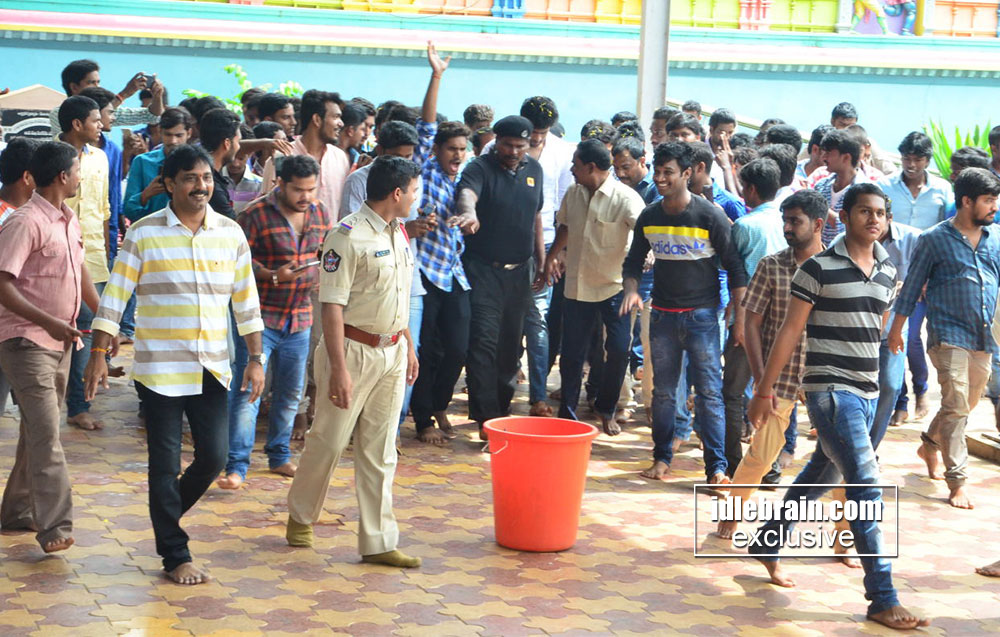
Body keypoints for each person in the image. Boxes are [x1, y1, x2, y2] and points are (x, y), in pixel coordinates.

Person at [744, 182, 929, 631]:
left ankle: (767, 541)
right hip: (829, 391)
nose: (874, 219)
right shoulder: (818, 268)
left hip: (866, 393)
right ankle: (882, 597)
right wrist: (764, 390)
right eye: (864, 211)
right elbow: (789, 331)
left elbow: (876, 329)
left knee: (820, 476)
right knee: (865, 485)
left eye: (880, 213)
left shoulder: (887, 267)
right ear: (843, 218)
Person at [84, 144, 266, 585]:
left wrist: (256, 359)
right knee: (164, 465)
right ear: (169, 184)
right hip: (160, 370)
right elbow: (115, 297)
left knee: (214, 457)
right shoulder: (144, 234)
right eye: (189, 179)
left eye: (205, 178)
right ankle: (175, 552)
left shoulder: (230, 233)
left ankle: (163, 516)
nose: (200, 186)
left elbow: (246, 303)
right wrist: (98, 354)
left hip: (212, 366)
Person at [285, 155, 421, 569]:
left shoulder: (399, 232)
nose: (416, 198)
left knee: (381, 449)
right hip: (352, 351)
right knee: (329, 439)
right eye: (413, 191)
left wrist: (408, 345)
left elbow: (398, 296)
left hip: (392, 351)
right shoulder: (346, 236)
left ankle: (378, 541)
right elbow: (332, 305)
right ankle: (300, 516)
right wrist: (339, 369)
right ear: (396, 193)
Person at [620, 142, 747, 485]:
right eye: (657, 172)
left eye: (668, 173)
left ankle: (716, 468)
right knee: (663, 393)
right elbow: (633, 262)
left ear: (687, 174)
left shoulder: (709, 216)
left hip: (703, 318)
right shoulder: (650, 216)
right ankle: (662, 458)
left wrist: (738, 319)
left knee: (709, 393)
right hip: (662, 317)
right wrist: (631, 290)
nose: (660, 179)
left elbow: (736, 269)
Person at [0, 141, 104, 554]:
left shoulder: (68, 219)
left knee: (36, 431)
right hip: (26, 342)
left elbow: (81, 272)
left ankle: (16, 511)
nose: (81, 177)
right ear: (63, 176)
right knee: (47, 435)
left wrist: (106, 317)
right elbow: (2, 284)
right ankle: (55, 526)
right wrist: (47, 321)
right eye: (78, 170)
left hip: (61, 341)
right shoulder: (25, 222)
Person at [716, 188, 826, 539]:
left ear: (818, 224)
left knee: (839, 461)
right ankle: (732, 513)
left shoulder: (836, 268)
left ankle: (846, 536)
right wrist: (762, 379)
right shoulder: (772, 265)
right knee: (762, 455)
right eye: (785, 221)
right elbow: (751, 324)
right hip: (781, 377)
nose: (788, 228)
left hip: (826, 378)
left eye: (795, 222)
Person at [888, 168, 1000, 510]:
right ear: (966, 201)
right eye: (988, 200)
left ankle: (929, 444)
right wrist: (896, 329)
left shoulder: (996, 238)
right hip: (948, 334)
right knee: (957, 403)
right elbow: (911, 286)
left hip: (985, 337)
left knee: (962, 405)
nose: (995, 207)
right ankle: (958, 481)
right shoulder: (934, 239)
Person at [217, 155, 331, 490]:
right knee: (248, 392)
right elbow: (236, 263)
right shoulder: (254, 214)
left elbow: (327, 253)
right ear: (280, 183)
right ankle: (236, 465)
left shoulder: (321, 212)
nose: (306, 196)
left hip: (300, 317)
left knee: (291, 391)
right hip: (260, 319)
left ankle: (279, 455)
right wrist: (271, 275)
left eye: (311, 189)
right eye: (298, 190)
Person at [451, 115, 545, 440]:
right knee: (483, 343)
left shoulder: (535, 170)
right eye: (508, 145)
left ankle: (500, 412)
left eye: (520, 146)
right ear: (496, 141)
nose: (514, 152)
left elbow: (535, 217)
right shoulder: (479, 168)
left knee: (510, 347)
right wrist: (469, 213)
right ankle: (486, 418)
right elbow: (467, 194)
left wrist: (542, 261)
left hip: (521, 273)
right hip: (483, 271)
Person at [542, 139, 644, 433]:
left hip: (614, 288)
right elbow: (565, 227)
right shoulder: (573, 194)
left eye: (575, 165)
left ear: (591, 167)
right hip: (577, 287)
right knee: (572, 354)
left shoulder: (626, 198)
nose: (571, 170)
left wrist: (642, 263)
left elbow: (644, 234)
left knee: (618, 350)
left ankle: (606, 408)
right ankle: (567, 413)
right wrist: (551, 257)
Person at [410, 44, 473, 445]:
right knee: (426, 348)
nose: (458, 155)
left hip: (455, 273)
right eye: (452, 149)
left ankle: (439, 404)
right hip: (424, 272)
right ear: (436, 150)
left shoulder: (466, 178)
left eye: (463, 150)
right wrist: (437, 76)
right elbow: (427, 125)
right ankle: (423, 419)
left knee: (458, 348)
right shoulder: (426, 168)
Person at [878, 131, 954, 425]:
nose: (911, 164)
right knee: (890, 339)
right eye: (907, 158)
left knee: (911, 339)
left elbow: (947, 232)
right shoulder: (885, 186)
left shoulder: (942, 190)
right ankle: (900, 401)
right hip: (888, 274)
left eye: (918, 159)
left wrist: (928, 277)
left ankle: (921, 389)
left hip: (925, 278)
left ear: (927, 160)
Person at [723, 158, 785, 475]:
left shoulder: (745, 226)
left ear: (750, 190)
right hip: (784, 321)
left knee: (733, 393)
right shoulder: (788, 221)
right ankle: (770, 467)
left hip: (750, 318)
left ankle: (735, 464)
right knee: (776, 394)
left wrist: (738, 322)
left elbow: (738, 278)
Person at [58, 95, 113, 432]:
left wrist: (106, 252)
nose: (101, 125)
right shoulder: (50, 156)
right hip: (55, 257)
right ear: (77, 124)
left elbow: (104, 209)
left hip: (92, 256)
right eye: (95, 120)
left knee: (89, 325)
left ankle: (79, 405)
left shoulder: (101, 158)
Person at [262, 90, 348, 220]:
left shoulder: (340, 158)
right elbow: (267, 209)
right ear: (317, 119)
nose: (341, 123)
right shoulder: (281, 157)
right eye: (336, 117)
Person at [51, 59, 164, 134]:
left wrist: (157, 96)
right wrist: (125, 94)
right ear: (74, 87)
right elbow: (94, 115)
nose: (98, 87)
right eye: (92, 83)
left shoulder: (110, 113)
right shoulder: (59, 114)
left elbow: (152, 117)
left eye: (98, 82)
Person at [123, 107, 194, 222]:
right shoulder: (142, 162)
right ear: (160, 131)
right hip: (149, 229)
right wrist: (146, 194)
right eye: (168, 135)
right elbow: (128, 210)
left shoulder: (197, 163)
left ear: (189, 133)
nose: (173, 141)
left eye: (179, 135)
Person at [78, 86, 124, 260]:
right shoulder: (64, 153)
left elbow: (114, 195)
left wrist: (113, 236)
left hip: (103, 237)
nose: (113, 118)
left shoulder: (113, 150)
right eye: (109, 112)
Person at [814, 129, 868, 245]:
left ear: (846, 157)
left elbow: (858, 228)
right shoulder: (821, 186)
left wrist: (819, 207)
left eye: (828, 153)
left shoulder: (866, 192)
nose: (823, 157)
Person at [199, 108, 242, 220]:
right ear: (227, 143)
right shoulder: (212, 186)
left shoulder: (200, 172)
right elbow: (232, 224)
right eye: (238, 142)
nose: (239, 147)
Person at [612, 137, 656, 204]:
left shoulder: (657, 185)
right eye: (616, 168)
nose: (620, 174)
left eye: (626, 167)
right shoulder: (615, 184)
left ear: (642, 162)